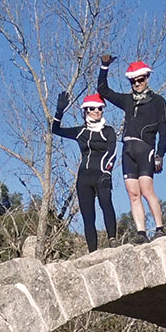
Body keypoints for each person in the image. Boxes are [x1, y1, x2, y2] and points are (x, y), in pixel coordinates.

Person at [97, 54, 166, 242]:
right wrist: (104, 66)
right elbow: (103, 90)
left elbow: (165, 129)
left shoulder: (158, 101)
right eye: (133, 81)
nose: (137, 84)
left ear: (147, 78)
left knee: (146, 189)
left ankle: (159, 229)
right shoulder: (128, 100)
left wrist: (160, 154)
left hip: (146, 148)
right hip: (128, 149)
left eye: (140, 80)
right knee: (132, 192)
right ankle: (141, 233)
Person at [50, 91, 119, 252]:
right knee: (88, 216)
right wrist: (59, 112)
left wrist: (107, 172)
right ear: (86, 111)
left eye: (100, 108)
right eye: (92, 108)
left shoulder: (108, 130)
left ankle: (113, 240)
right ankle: (92, 251)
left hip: (102, 175)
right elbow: (55, 129)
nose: (97, 111)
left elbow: (112, 153)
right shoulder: (80, 131)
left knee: (106, 204)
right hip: (84, 179)